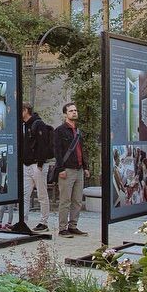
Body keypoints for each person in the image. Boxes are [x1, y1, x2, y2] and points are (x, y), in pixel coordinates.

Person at [53, 102, 89, 237]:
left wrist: (85, 167)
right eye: (71, 111)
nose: (74, 112)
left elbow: (81, 150)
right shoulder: (60, 130)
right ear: (65, 114)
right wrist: (60, 169)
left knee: (77, 201)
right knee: (65, 201)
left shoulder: (78, 131)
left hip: (79, 169)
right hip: (67, 170)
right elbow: (57, 151)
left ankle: (73, 226)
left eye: (75, 110)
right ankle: (62, 228)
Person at [20, 104, 53, 232]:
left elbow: (43, 144)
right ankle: (23, 221)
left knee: (42, 194)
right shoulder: (24, 125)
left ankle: (43, 222)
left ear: (25, 111)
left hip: (37, 165)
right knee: (25, 194)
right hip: (26, 164)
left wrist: (40, 163)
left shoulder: (38, 124)